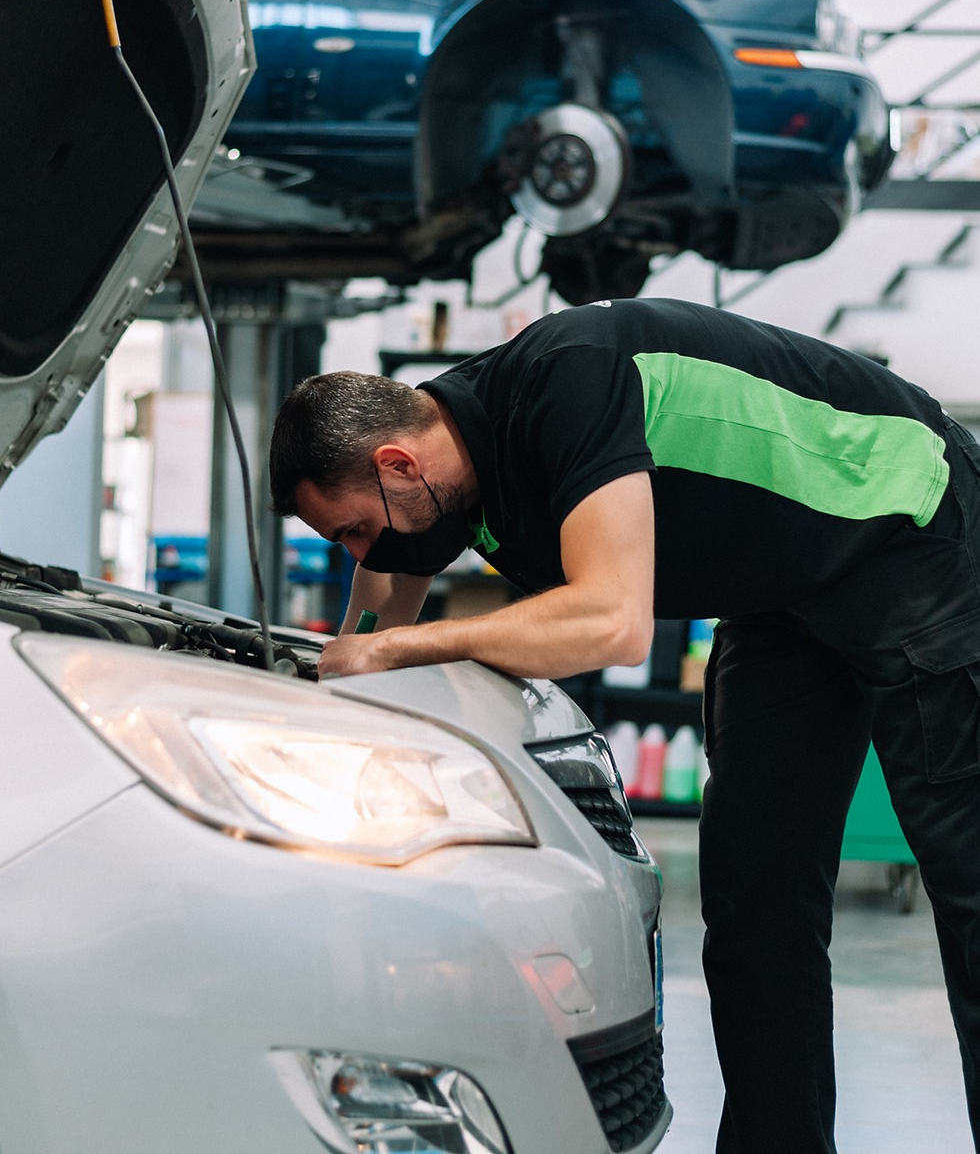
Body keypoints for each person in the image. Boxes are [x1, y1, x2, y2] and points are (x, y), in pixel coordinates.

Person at [269, 296, 980, 1154]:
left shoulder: (566, 382)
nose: (357, 554)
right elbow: (379, 608)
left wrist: (404, 653)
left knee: (970, 885)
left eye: (351, 529)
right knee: (756, 906)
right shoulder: (444, 478)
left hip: (913, 526)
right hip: (777, 594)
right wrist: (331, 676)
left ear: (399, 463)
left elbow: (613, 623)